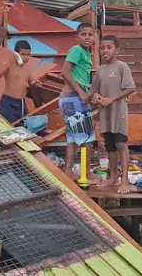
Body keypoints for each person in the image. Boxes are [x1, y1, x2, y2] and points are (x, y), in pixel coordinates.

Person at [89, 35, 136, 194]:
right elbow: (93, 90)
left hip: (118, 112)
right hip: (105, 114)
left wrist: (111, 99)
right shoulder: (100, 70)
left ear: (117, 50)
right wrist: (95, 96)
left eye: (109, 47)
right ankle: (113, 177)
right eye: (102, 48)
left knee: (121, 144)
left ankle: (125, 179)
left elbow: (130, 88)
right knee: (109, 145)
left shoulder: (122, 67)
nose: (105, 51)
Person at [59, 23, 96, 178]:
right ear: (77, 37)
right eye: (83, 34)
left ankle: (68, 172)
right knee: (87, 137)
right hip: (73, 99)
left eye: (90, 34)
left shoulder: (87, 54)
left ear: (94, 36)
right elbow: (64, 72)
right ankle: (86, 172)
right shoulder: (76, 50)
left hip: (69, 100)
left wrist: (87, 88)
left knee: (73, 138)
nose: (87, 37)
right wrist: (81, 92)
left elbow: (78, 77)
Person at [0, 40, 33, 123]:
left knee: (22, 125)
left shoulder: (27, 69)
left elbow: (32, 83)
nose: (25, 57)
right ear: (16, 54)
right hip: (8, 102)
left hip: (21, 103)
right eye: (22, 54)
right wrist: (9, 62)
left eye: (28, 55)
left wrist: (37, 83)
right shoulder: (9, 65)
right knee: (9, 126)